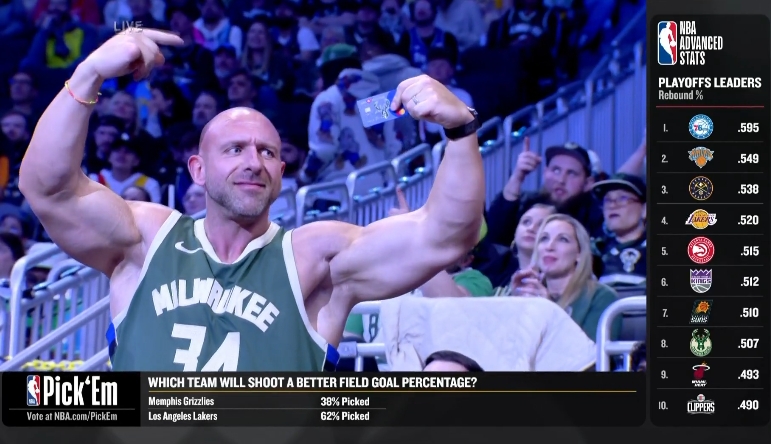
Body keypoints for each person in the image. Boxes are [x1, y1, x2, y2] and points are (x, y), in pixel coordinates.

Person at [19, 29, 485, 372]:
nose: (253, 162)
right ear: (197, 170)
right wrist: (89, 73)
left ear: (281, 174)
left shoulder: (315, 259)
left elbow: (444, 237)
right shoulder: (146, 239)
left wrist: (461, 129)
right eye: (235, 149)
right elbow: (48, 188)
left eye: (267, 152)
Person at [511, 214, 620, 342]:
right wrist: (514, 304)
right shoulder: (530, 295)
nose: (549, 246)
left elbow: (589, 352)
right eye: (544, 238)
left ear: (579, 254)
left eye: (563, 239)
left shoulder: (601, 297)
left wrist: (548, 309)